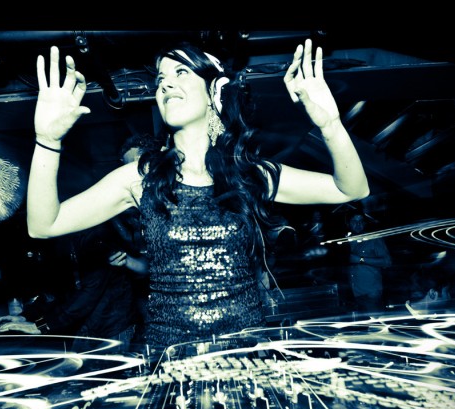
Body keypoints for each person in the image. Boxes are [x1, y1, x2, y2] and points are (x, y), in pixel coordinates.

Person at [26, 39, 370, 354]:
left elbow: (351, 188)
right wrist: (47, 140)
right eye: (160, 79)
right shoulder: (140, 178)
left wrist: (330, 123)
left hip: (245, 357)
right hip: (172, 362)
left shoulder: (248, 174)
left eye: (180, 72)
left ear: (213, 92)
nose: (165, 84)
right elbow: (44, 224)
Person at [0, 218, 142, 352]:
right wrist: (24, 316)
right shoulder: (60, 242)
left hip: (112, 329)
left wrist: (42, 326)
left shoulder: (95, 235)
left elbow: (88, 294)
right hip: (86, 330)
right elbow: (58, 293)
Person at [342, 212, 391, 314]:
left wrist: (361, 259)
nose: (358, 224)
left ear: (365, 223)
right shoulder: (344, 241)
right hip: (351, 294)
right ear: (348, 223)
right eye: (354, 221)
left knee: (375, 321)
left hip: (370, 293)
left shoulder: (374, 239)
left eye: (361, 221)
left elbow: (387, 262)